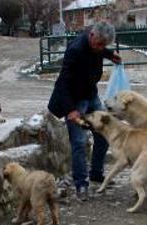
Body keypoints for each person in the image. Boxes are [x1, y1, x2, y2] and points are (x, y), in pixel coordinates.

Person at [48, 22, 122, 201]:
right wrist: (70, 110)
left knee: (105, 132)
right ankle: (81, 183)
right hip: (74, 100)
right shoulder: (75, 50)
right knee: (79, 141)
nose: (100, 48)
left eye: (104, 45)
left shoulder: (97, 45)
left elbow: (99, 50)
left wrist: (110, 54)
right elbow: (64, 81)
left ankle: (96, 173)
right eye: (99, 44)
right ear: (92, 36)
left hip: (91, 94)